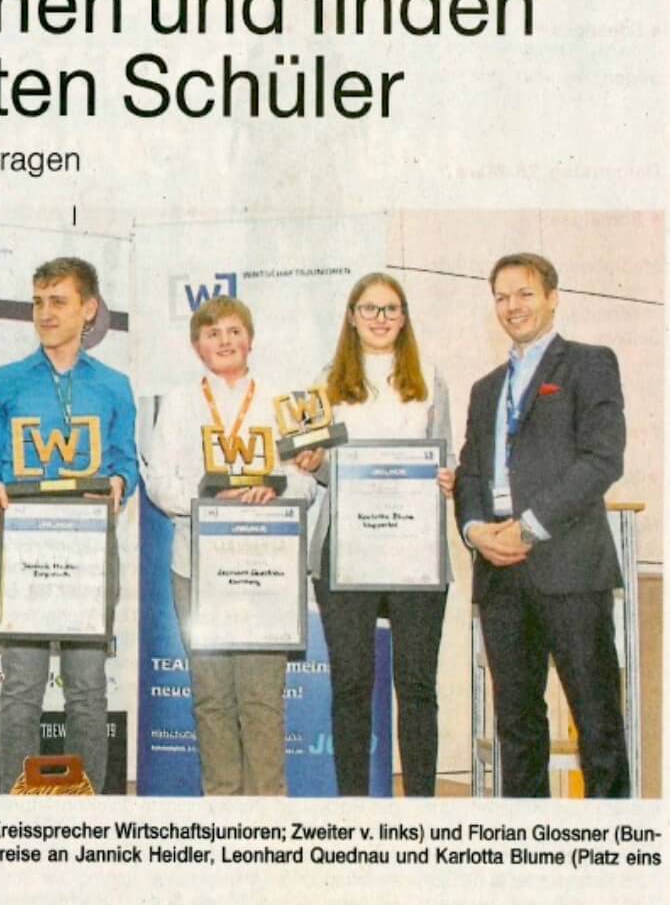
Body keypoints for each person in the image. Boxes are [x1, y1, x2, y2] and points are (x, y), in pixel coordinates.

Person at [454, 253, 629, 798]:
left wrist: (527, 527)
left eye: (525, 293)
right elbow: (470, 471)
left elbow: (602, 460)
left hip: (569, 566)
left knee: (596, 721)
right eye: (502, 297)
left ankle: (611, 840)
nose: (513, 306)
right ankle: (527, 841)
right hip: (499, 572)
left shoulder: (589, 364)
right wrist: (474, 530)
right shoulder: (486, 388)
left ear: (552, 298)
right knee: (517, 726)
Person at [0, 257, 138, 795]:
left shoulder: (115, 386)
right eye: (38, 301)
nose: (45, 312)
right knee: (21, 689)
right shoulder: (5, 381)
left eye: (58, 301)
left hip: (89, 550)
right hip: (23, 549)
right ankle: (18, 809)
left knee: (87, 691)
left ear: (88, 310)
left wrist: (120, 482)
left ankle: (84, 808)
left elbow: (126, 461)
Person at [142, 296, 312, 796]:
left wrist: (274, 489)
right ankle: (221, 807)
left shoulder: (283, 402)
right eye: (212, 333)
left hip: (265, 569)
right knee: (212, 696)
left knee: (262, 698)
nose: (225, 341)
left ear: (250, 340)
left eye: (235, 331)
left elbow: (306, 483)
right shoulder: (179, 403)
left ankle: (266, 811)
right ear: (197, 345)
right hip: (197, 566)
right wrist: (208, 500)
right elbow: (159, 484)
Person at [292, 273, 454, 797]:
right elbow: (315, 466)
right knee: (352, 684)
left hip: (416, 552)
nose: (380, 319)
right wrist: (313, 462)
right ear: (352, 317)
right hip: (345, 550)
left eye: (390, 309)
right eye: (369, 309)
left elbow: (445, 455)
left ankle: (421, 805)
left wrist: (449, 477)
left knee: (417, 686)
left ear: (404, 317)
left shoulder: (429, 377)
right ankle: (354, 809)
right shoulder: (324, 381)